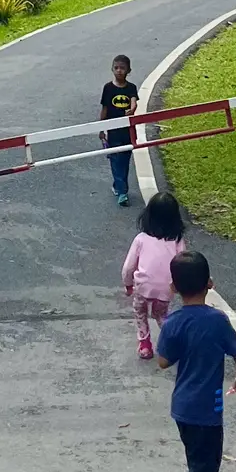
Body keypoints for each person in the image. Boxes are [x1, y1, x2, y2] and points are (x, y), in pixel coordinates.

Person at [155, 249, 236, 472]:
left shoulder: (174, 322)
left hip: (182, 407)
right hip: (209, 408)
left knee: (198, 462)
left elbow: (162, 361)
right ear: (210, 283)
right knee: (207, 466)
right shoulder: (217, 320)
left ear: (173, 288)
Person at [121, 191, 186, 361]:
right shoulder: (177, 240)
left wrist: (128, 284)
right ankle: (171, 342)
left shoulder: (141, 239)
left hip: (143, 286)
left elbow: (128, 267)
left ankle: (144, 344)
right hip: (166, 288)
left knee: (140, 312)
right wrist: (180, 285)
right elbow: (183, 263)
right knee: (161, 315)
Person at [99, 54, 141, 207]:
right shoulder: (108, 88)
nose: (119, 71)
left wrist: (132, 109)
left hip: (128, 130)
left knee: (124, 160)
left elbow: (134, 102)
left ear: (128, 70)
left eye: (122, 68)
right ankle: (123, 192)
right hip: (113, 130)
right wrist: (101, 128)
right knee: (116, 160)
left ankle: (118, 185)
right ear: (112, 69)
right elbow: (104, 108)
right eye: (116, 68)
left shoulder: (131, 88)